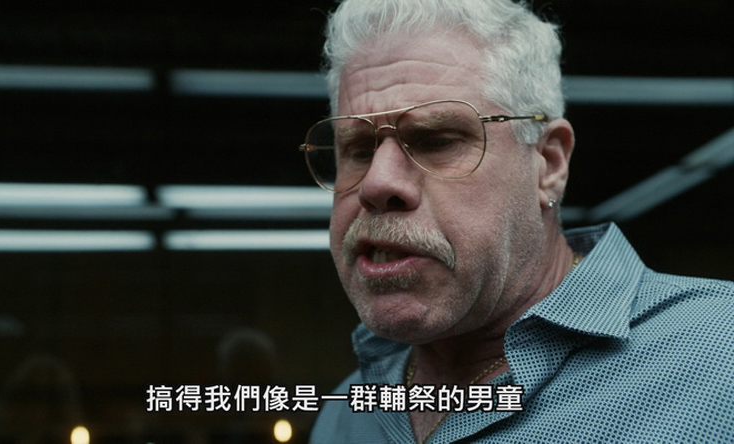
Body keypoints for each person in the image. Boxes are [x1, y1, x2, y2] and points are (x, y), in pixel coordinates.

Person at [297, 0, 734, 442]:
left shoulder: (719, 357)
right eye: (358, 149)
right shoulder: (347, 412)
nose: (376, 183)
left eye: (436, 141)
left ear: (548, 163)